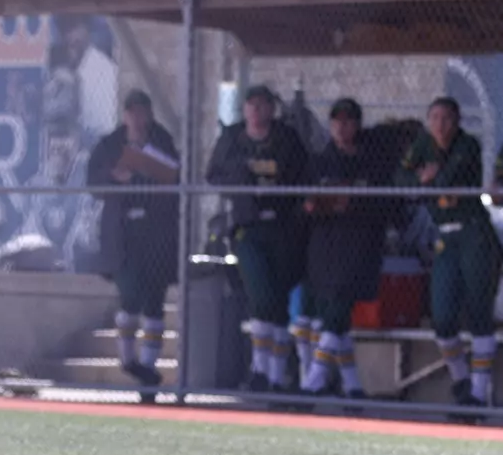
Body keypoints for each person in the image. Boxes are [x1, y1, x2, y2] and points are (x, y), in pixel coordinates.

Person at [205, 85, 311, 392]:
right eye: (251, 104)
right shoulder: (232, 139)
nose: (256, 110)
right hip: (248, 227)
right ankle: (258, 368)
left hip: (281, 227)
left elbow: (304, 175)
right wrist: (240, 187)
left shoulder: (286, 138)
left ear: (271, 108)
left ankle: (275, 376)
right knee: (260, 296)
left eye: (263, 105)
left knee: (277, 302)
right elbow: (213, 175)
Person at [399, 96, 499, 407]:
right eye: (435, 118)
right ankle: (460, 380)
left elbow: (447, 178)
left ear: (457, 122)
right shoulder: (423, 144)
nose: (440, 125)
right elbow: (401, 178)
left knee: (480, 313)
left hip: (474, 234)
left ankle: (479, 393)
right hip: (445, 237)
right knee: (442, 317)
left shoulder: (466, 144)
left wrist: (427, 180)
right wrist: (420, 178)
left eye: (446, 119)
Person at [86, 90, 179, 399]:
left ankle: (148, 375)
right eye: (132, 112)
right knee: (130, 296)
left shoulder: (162, 141)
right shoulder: (110, 145)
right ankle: (128, 360)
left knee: (155, 302)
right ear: (124, 115)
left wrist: (151, 173)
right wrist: (115, 177)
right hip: (123, 234)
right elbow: (93, 183)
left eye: (143, 112)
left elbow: (176, 177)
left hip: (157, 232)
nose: (138, 119)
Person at [298, 99, 390, 399]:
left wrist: (351, 201)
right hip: (325, 246)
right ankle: (353, 387)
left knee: (338, 309)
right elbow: (305, 203)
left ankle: (314, 381)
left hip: (360, 244)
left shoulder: (373, 160)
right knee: (333, 316)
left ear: (358, 125)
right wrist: (322, 203)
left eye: (348, 121)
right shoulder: (320, 161)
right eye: (336, 121)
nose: (342, 127)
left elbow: (383, 202)